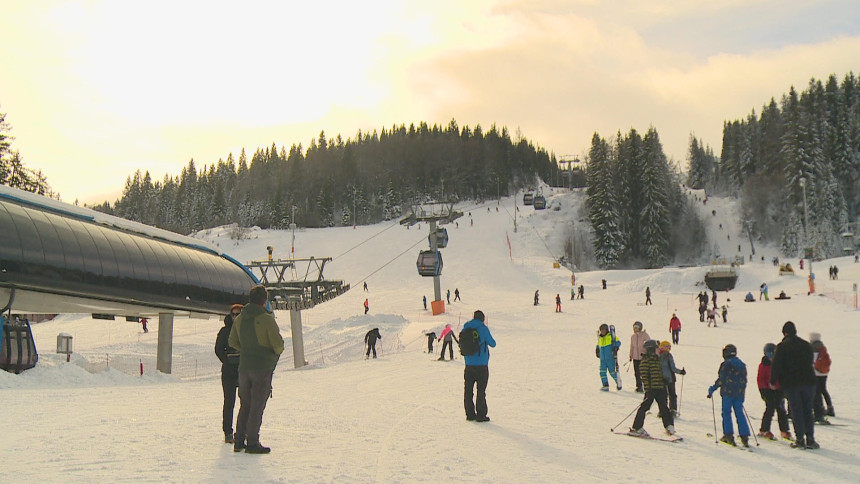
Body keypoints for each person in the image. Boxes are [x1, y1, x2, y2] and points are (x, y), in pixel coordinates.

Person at [228, 285, 285, 454]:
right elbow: (278, 345)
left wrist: (246, 349)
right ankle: (252, 442)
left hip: (244, 367)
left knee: (245, 404)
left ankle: (239, 441)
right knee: (257, 406)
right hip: (262, 367)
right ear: (264, 301)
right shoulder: (266, 319)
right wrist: (268, 353)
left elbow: (232, 341)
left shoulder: (240, 319)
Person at [771, 321, 818, 449]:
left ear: (785, 333)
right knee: (808, 409)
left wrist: (772, 381)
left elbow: (776, 365)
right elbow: (810, 362)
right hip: (809, 381)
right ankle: (810, 439)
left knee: (796, 410)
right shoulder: (806, 345)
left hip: (792, 383)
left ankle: (800, 439)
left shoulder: (782, 347)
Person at [707, 344, 751, 448]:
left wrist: (713, 388)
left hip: (727, 393)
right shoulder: (741, 364)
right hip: (739, 393)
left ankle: (728, 435)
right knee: (739, 414)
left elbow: (721, 379)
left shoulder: (726, 364)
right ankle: (744, 436)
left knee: (726, 413)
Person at [629, 340, 675, 436]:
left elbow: (661, 372)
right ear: (651, 349)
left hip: (660, 388)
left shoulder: (658, 360)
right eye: (656, 348)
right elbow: (644, 376)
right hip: (651, 389)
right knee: (644, 407)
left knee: (664, 408)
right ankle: (637, 427)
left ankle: (669, 426)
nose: (658, 350)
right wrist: (648, 388)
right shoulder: (645, 361)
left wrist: (664, 379)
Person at [215, 304, 243, 443]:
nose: (236, 317)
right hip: (229, 371)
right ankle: (228, 432)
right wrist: (227, 360)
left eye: (239, 314)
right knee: (229, 401)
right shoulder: (225, 331)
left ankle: (243, 431)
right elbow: (218, 349)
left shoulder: (247, 330)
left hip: (244, 369)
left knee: (246, 401)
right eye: (234, 314)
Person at [463, 310, 496, 422]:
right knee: (481, 390)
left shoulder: (466, 328)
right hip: (482, 365)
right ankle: (481, 414)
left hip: (468, 364)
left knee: (468, 390)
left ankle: (470, 414)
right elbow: (493, 343)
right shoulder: (483, 329)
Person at [757, 343, 791, 440]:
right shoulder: (763, 365)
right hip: (767, 391)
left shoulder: (780, 363)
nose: (772, 357)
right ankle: (764, 430)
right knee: (770, 409)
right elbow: (760, 379)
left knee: (781, 410)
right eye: (770, 354)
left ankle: (784, 430)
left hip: (778, 390)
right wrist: (764, 390)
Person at [810, 333, 834, 420]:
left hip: (815, 373)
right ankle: (830, 408)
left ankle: (819, 410)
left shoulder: (812, 348)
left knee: (816, 392)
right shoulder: (822, 347)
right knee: (823, 389)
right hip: (824, 373)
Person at [658, 341, 685, 416]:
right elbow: (672, 368)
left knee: (663, 395)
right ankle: (673, 410)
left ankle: (662, 411)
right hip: (670, 378)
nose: (669, 349)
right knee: (672, 394)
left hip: (660, 379)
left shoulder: (657, 355)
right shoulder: (668, 355)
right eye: (668, 347)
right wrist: (681, 372)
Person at [596, 324, 622, 391]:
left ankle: (618, 382)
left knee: (612, 372)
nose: (602, 332)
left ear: (606, 330)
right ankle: (605, 385)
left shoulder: (611, 336)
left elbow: (618, 342)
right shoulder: (600, 338)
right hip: (602, 359)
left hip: (610, 358)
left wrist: (616, 347)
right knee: (602, 372)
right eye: (601, 330)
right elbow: (598, 345)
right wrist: (597, 350)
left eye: (603, 330)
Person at [629, 321, 650, 393]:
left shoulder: (645, 335)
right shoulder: (633, 336)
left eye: (636, 328)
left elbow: (648, 344)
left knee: (643, 372)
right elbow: (632, 346)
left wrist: (645, 352)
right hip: (635, 357)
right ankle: (639, 386)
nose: (634, 329)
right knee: (637, 373)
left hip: (643, 357)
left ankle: (646, 386)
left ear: (640, 328)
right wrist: (631, 355)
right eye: (634, 328)